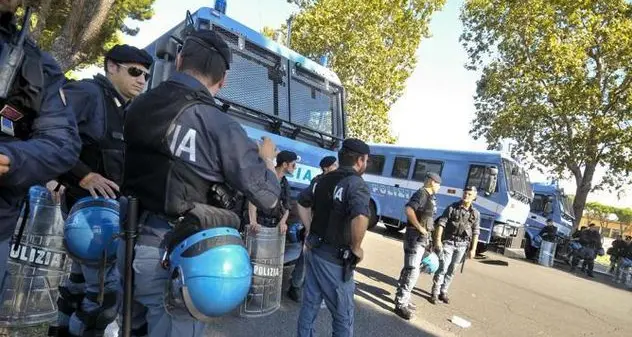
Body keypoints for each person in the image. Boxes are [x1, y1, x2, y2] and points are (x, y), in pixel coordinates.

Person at [118, 29, 281, 337]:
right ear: (222, 82)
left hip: (128, 241)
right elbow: (269, 198)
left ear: (179, 61)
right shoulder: (219, 125)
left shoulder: (136, 106)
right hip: (179, 259)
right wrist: (268, 160)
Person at [47, 44, 153, 337]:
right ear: (111, 67)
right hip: (90, 218)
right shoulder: (89, 94)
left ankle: (61, 329)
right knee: (104, 300)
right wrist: (81, 176)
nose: (142, 80)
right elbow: (50, 131)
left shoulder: (122, 108)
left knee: (79, 286)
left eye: (146, 75)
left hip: (100, 220)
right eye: (135, 72)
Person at [0, 0, 80, 291]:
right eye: (135, 72)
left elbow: (62, 142)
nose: (142, 79)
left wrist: (10, 159)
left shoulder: (37, 63)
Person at [295, 138, 371, 337]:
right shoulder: (356, 184)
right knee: (343, 316)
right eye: (366, 160)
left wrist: (310, 230)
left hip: (315, 252)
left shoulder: (322, 180)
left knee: (309, 306)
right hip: (335, 261)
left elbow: (302, 203)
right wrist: (357, 248)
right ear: (361, 160)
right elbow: (361, 216)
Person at [287, 155, 338, 302]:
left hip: (328, 227)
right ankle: (295, 286)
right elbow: (305, 203)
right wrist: (308, 225)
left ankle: (309, 286)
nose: (337, 167)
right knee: (305, 256)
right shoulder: (318, 182)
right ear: (326, 168)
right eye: (334, 165)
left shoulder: (336, 181)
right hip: (314, 225)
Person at [393, 172, 441, 320]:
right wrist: (420, 228)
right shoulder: (421, 194)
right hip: (414, 238)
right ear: (432, 182)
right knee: (411, 271)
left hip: (421, 240)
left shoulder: (430, 197)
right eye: (438, 184)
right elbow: (409, 209)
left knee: (412, 270)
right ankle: (400, 304)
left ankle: (403, 299)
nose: (439, 187)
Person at [431, 186, 480, 305]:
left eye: (469, 194)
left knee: (452, 270)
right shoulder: (452, 207)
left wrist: (473, 249)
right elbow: (441, 223)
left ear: (474, 197)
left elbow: (476, 232)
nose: (466, 196)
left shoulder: (475, 213)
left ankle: (444, 291)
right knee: (443, 267)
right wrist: (437, 240)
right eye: (465, 193)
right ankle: (435, 292)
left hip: (462, 245)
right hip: (448, 242)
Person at [247, 150, 297, 234]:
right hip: (257, 226)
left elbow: (287, 206)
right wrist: (253, 221)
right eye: (293, 165)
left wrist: (282, 222)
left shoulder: (285, 184)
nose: (295, 168)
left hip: (273, 228)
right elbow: (253, 200)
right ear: (284, 164)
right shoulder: (264, 176)